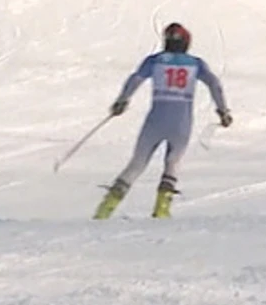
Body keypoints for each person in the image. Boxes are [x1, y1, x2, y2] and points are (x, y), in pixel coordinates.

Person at [94, 22, 233, 219]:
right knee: (173, 162)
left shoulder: (154, 61)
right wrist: (222, 111)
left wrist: (122, 101)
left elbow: (135, 79)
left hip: (155, 119)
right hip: (181, 122)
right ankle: (162, 209)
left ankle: (105, 209)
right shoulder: (196, 63)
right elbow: (214, 84)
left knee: (137, 163)